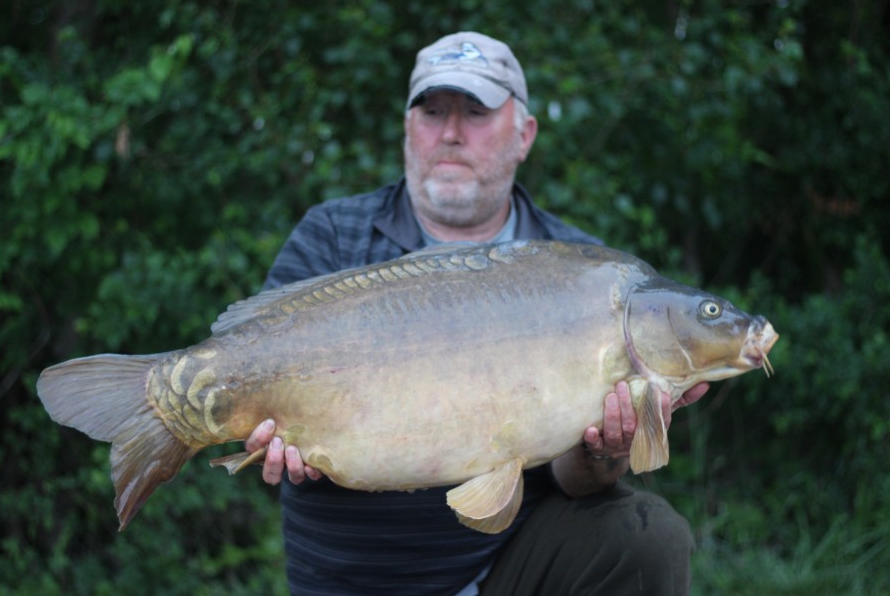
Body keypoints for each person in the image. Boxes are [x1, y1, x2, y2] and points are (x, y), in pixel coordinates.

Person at [245, 31, 709, 596]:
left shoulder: (585, 275)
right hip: (352, 581)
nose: (451, 132)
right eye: (433, 111)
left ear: (524, 134)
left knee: (649, 535)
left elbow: (577, 482)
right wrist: (262, 427)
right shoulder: (333, 237)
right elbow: (257, 392)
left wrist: (604, 451)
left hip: (505, 573)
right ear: (407, 130)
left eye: (476, 112)